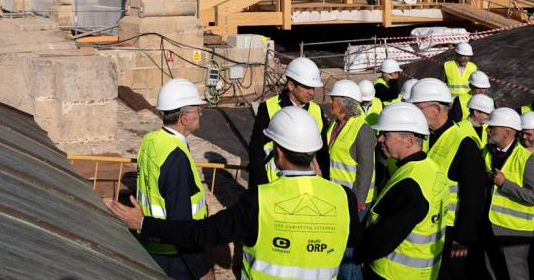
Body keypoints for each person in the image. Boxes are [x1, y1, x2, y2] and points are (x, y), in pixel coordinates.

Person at [111, 106, 362, 280]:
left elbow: (201, 232)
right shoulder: (345, 199)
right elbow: (352, 249)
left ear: (279, 152)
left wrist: (144, 223)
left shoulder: (258, 200)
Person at [360, 103, 450, 280]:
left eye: (386, 134)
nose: (380, 139)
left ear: (409, 140)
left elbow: (386, 236)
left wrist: (361, 254)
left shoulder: (410, 183)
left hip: (393, 273)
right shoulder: (431, 168)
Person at [135, 78, 213, 279]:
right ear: (183, 118)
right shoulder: (176, 156)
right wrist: (201, 269)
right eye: (196, 108)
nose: (200, 113)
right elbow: (181, 225)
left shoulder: (150, 140)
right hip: (174, 255)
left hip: (150, 244)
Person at [412, 78, 487, 279]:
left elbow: (473, 196)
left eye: (418, 107)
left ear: (436, 109)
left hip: (452, 231)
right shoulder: (426, 136)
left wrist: (463, 237)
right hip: (430, 226)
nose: (413, 113)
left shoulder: (465, 144)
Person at [481, 108, 534, 280]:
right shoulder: (487, 151)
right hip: (489, 224)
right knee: (492, 269)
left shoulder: (527, 160)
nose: (487, 130)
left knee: (514, 274)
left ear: (507, 132)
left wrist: (505, 184)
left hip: (514, 230)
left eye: (492, 127)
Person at [249, 57, 325, 186]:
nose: (311, 92)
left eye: (313, 88)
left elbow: (323, 154)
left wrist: (323, 183)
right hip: (272, 183)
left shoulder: (317, 111)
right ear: (291, 85)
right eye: (307, 87)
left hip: (305, 186)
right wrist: (262, 185)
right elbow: (256, 149)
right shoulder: (268, 108)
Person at [326, 79, 378, 209]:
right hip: (336, 194)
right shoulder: (334, 123)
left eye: (333, 99)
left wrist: (358, 200)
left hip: (355, 200)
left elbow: (366, 169)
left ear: (344, 104)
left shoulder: (363, 130)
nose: (329, 102)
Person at [442, 42, 478, 110]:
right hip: (451, 104)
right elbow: (441, 85)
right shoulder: (447, 66)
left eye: (468, 56)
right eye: (463, 56)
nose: (465, 59)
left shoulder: (473, 67)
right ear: (457, 55)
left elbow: (477, 87)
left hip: (468, 103)